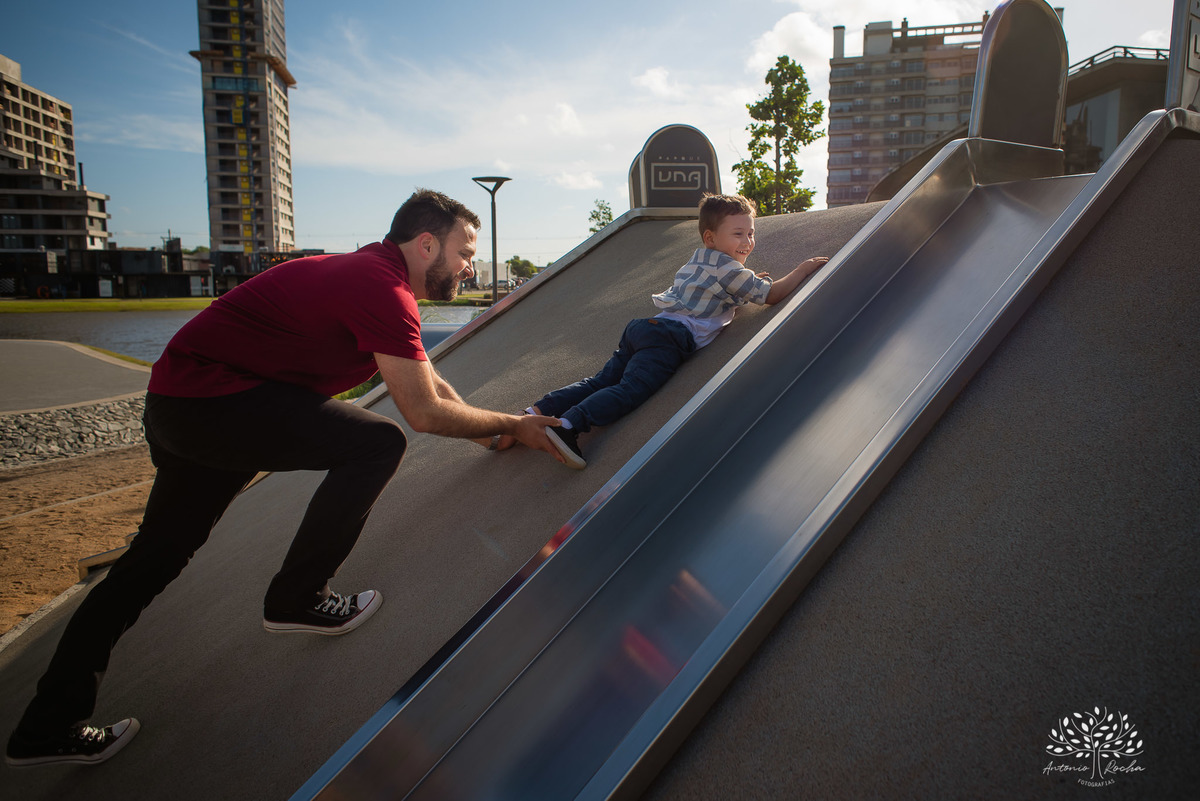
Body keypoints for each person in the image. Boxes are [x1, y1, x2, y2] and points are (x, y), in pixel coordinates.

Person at [5, 189, 563, 768]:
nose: (471, 264)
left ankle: (46, 729)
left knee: (153, 561)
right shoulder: (380, 287)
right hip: (212, 405)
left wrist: (488, 432)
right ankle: (298, 597)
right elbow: (420, 414)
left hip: (187, 403)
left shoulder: (373, 279)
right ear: (426, 245)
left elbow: (431, 385)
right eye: (465, 251)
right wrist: (515, 427)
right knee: (377, 443)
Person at [533, 193, 829, 469]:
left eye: (751, 233)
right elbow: (772, 295)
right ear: (710, 237)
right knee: (630, 389)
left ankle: (540, 410)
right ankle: (569, 426)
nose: (747, 241)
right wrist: (802, 269)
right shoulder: (730, 270)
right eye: (737, 234)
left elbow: (720, 294)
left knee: (601, 380)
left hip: (645, 328)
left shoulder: (699, 260)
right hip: (668, 340)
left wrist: (748, 283)